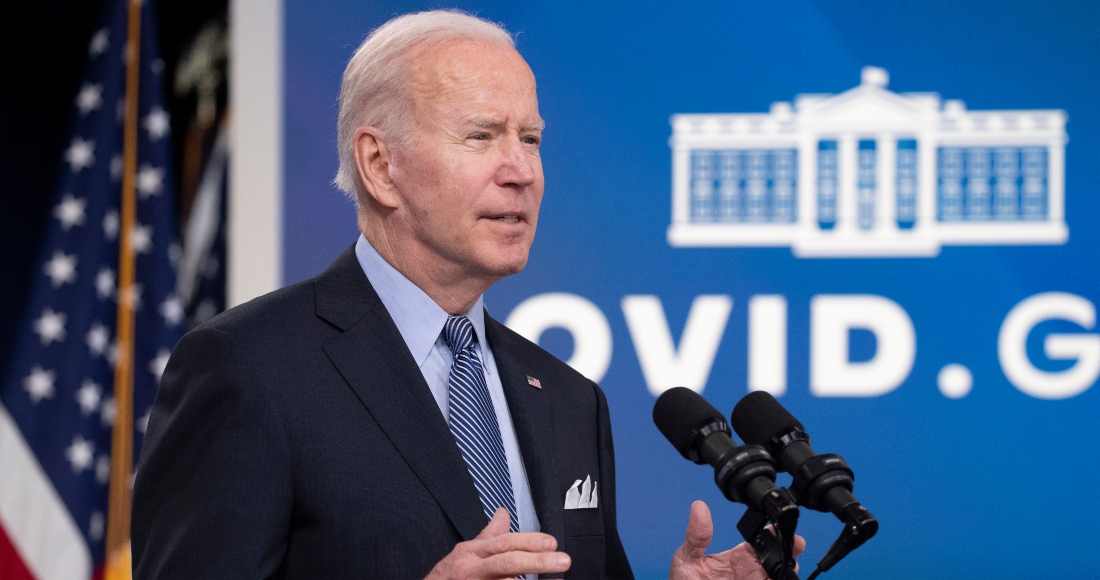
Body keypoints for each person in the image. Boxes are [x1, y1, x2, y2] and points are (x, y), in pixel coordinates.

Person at [131, 9, 803, 579]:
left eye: (531, 139)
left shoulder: (569, 400)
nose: (521, 172)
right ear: (379, 165)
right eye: (481, 137)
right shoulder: (249, 368)